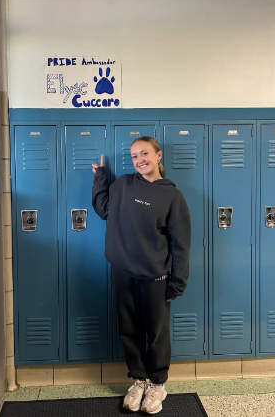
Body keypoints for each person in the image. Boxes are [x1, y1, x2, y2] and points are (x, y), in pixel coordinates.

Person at [92, 136, 191, 415]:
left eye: (145, 154)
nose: (140, 160)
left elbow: (181, 244)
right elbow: (104, 210)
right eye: (135, 156)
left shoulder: (172, 196)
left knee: (157, 333)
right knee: (129, 329)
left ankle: (158, 383)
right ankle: (138, 380)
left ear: (158, 156)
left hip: (155, 277)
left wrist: (178, 282)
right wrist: (100, 178)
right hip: (122, 273)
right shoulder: (123, 184)